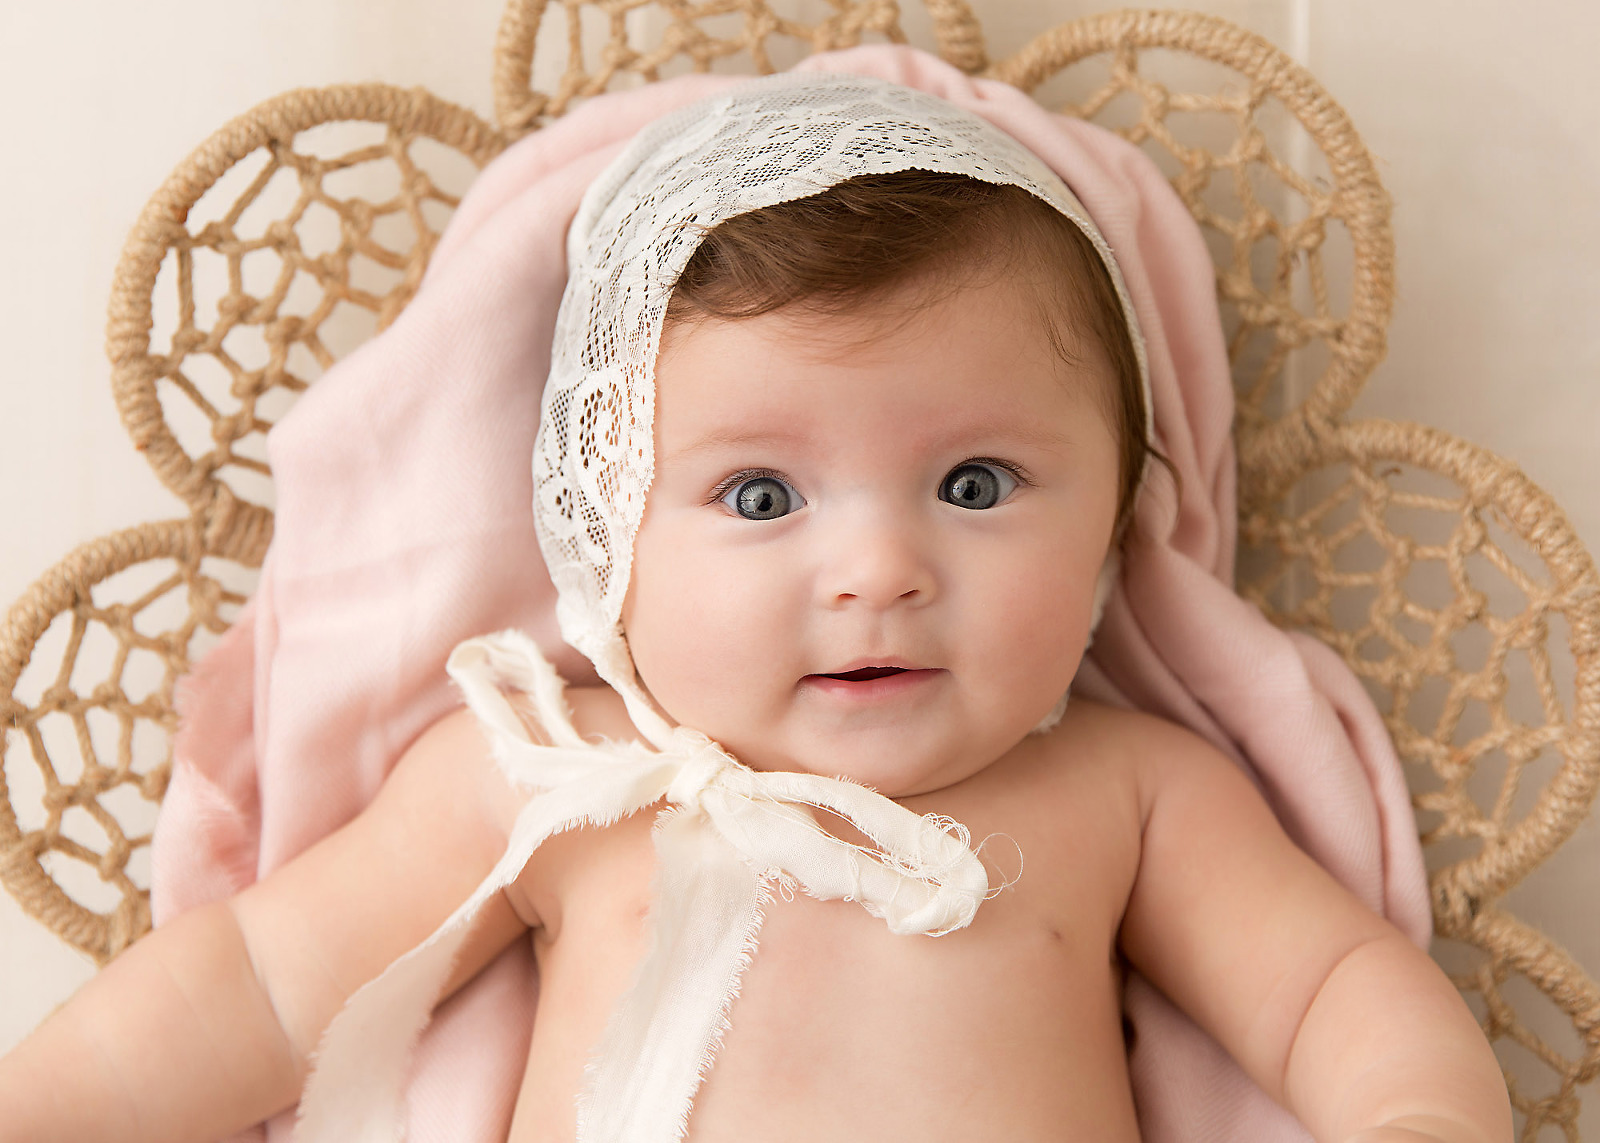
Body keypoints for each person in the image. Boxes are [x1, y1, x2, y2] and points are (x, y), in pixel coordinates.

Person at [0, 54, 1510, 1143]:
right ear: (606, 537)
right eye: (762, 498)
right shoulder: (548, 777)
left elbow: (1326, 994)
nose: (878, 573)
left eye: (976, 485)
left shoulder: (1125, 796)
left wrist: (1417, 1114)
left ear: (1117, 518)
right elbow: (261, 991)